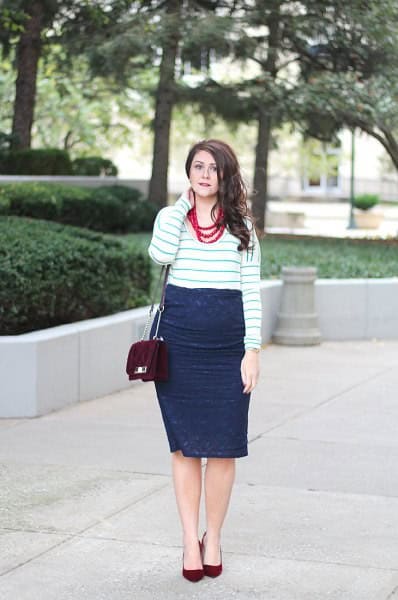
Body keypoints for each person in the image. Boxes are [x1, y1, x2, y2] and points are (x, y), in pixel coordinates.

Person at [148, 139, 262, 582]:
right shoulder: (170, 219)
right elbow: (160, 255)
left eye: (214, 169)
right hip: (180, 343)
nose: (205, 174)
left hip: (227, 347)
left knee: (223, 448)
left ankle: (212, 537)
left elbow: (250, 291)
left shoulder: (242, 226)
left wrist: (252, 350)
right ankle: (187, 541)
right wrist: (182, 207)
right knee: (184, 448)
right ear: (188, 172)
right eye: (198, 166)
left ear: (226, 175)